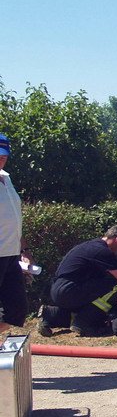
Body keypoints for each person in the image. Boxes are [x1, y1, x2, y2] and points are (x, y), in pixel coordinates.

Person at [40, 225, 117, 337]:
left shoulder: (91, 246)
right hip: (70, 290)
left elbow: (100, 285)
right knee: (116, 284)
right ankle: (83, 323)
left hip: (62, 290)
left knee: (100, 314)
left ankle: (50, 315)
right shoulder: (102, 251)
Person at [0, 134, 32, 336]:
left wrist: (25, 250)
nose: (1, 159)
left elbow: (14, 221)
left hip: (10, 255)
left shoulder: (7, 178)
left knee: (17, 311)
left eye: (4, 155)